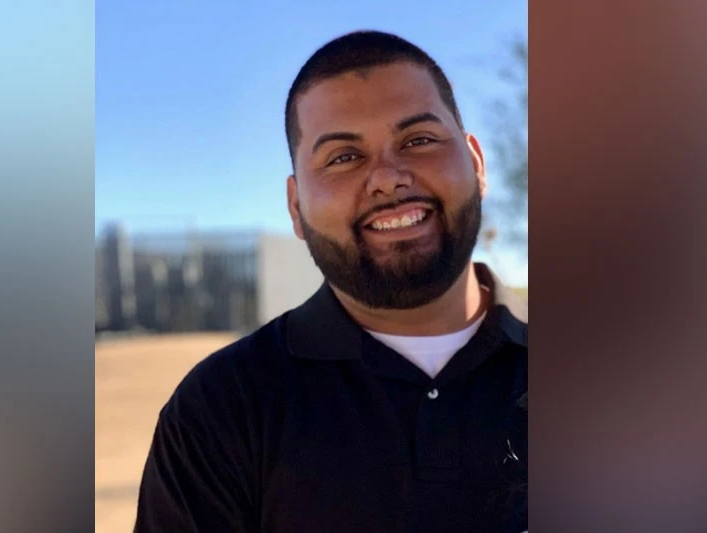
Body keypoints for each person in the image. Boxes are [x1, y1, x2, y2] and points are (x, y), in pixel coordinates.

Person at [134, 30, 528, 533]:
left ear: (475, 163)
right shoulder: (221, 409)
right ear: (296, 207)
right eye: (343, 157)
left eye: (419, 140)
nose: (388, 177)